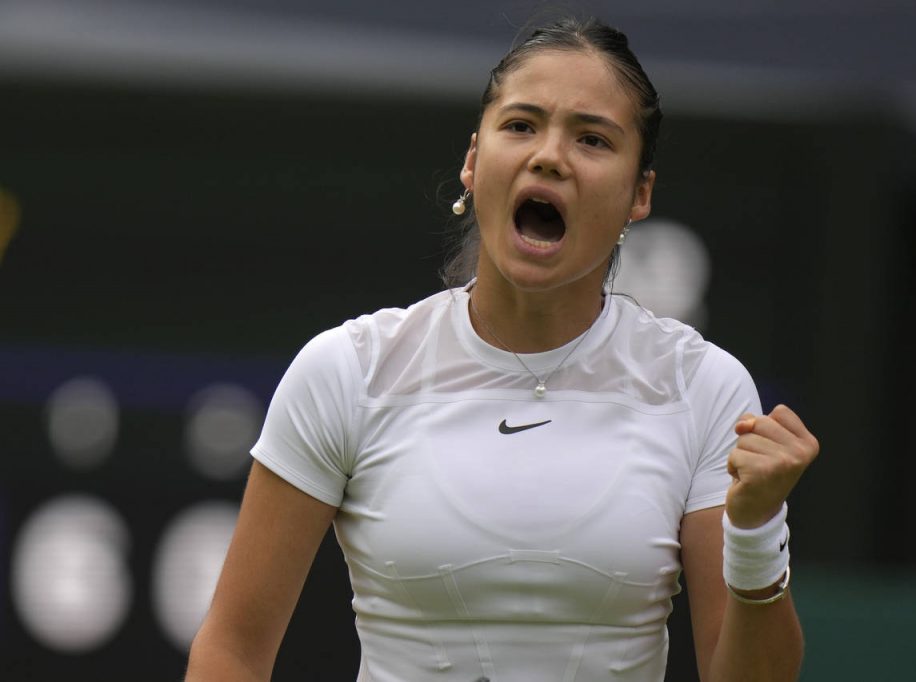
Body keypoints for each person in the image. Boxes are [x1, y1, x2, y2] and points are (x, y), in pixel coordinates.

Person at [185, 16, 818, 682]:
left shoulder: (705, 389)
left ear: (640, 194)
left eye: (592, 139)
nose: (549, 156)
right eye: (520, 125)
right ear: (473, 160)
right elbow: (231, 651)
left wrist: (756, 535)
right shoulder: (347, 371)